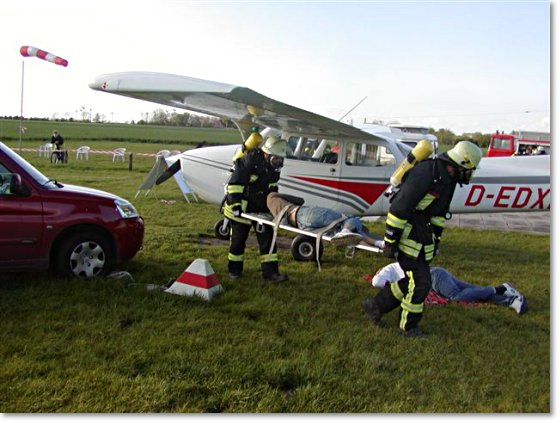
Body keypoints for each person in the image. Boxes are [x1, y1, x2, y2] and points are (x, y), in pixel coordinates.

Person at [363, 140, 483, 337]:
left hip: (422, 237)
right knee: (421, 283)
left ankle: (375, 305)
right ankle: (408, 328)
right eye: (468, 169)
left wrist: (436, 241)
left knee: (415, 281)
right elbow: (399, 208)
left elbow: (438, 214)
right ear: (460, 164)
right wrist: (390, 241)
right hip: (406, 235)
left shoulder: (448, 180)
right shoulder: (427, 172)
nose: (469, 174)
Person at [223, 136, 290, 283]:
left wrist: (273, 205)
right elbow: (234, 185)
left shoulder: (274, 168)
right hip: (241, 208)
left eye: (281, 160)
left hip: (260, 209)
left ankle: (271, 275)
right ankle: (234, 272)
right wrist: (235, 207)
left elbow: (272, 187)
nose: (279, 163)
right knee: (237, 242)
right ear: (266, 154)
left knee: (268, 240)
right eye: (276, 159)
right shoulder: (249, 161)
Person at [370, 262, 527, 315]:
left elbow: (376, 282)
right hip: (437, 274)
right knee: (473, 292)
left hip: (434, 278)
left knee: (456, 297)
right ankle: (510, 299)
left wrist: (382, 280)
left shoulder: (387, 271)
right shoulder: (394, 268)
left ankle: (498, 289)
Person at [266, 192, 383, 247]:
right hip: (303, 213)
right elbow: (300, 200)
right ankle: (346, 231)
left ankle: (377, 244)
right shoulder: (271, 196)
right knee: (348, 218)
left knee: (347, 236)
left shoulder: (273, 211)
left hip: (300, 224)